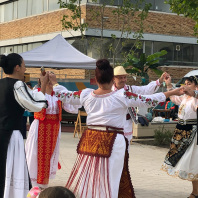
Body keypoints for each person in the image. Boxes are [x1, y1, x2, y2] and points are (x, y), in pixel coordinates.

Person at [49, 59, 183, 198]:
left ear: (96, 79)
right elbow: (148, 100)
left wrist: (55, 83)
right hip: (112, 141)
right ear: (113, 80)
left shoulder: (86, 94)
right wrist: (172, 92)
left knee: (90, 178)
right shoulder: (122, 95)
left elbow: (64, 95)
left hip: (90, 140)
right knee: (110, 180)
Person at [0, 53, 48, 198]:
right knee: (12, 169)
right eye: (24, 65)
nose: (25, 68)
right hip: (10, 135)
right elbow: (34, 104)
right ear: (17, 68)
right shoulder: (17, 84)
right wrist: (44, 85)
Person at [25, 72, 80, 189]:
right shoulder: (37, 92)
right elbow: (36, 103)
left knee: (49, 155)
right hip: (40, 127)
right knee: (35, 154)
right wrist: (44, 84)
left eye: (51, 79)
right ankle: (33, 184)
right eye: (46, 79)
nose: (49, 81)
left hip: (54, 129)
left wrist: (56, 84)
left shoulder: (58, 94)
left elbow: (72, 105)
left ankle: (43, 184)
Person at [161, 75, 198, 198]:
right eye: (185, 83)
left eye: (189, 84)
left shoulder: (195, 98)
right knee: (190, 162)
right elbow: (173, 98)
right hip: (182, 132)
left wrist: (193, 93)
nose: (185, 86)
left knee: (193, 161)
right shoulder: (184, 98)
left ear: (196, 86)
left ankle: (195, 192)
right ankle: (196, 192)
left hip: (193, 134)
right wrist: (168, 84)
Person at [112, 66, 168, 144]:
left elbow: (145, 90)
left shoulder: (130, 89)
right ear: (114, 78)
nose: (123, 80)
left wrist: (160, 81)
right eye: (120, 78)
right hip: (113, 125)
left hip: (126, 125)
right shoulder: (109, 92)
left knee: (125, 151)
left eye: (124, 77)